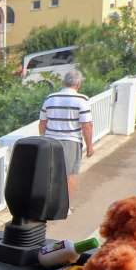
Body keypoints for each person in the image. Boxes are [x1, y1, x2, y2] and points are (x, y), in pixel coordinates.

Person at [39, 69, 94, 206]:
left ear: (63, 82)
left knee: (51, 175)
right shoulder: (82, 100)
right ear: (78, 84)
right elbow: (86, 126)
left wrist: (43, 139)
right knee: (69, 175)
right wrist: (90, 146)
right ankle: (65, 207)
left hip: (50, 141)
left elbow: (42, 123)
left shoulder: (50, 98)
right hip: (71, 142)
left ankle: (48, 205)